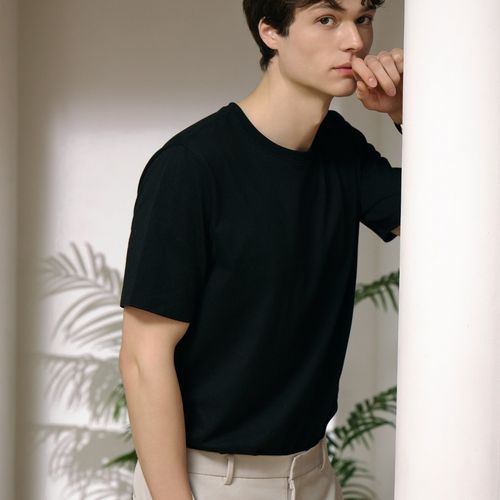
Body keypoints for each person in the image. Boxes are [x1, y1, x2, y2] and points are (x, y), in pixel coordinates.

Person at [118, 0, 403, 498]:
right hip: (210, 480)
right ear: (270, 31)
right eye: (327, 19)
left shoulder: (340, 147)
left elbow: (455, 232)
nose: (355, 42)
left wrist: (407, 114)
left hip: (313, 474)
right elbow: (144, 357)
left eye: (363, 19)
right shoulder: (190, 167)